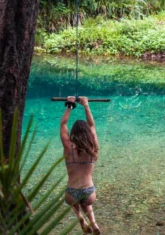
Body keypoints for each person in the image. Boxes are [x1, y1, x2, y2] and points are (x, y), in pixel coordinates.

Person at [60, 96, 101, 234]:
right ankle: (94, 224)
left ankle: (81, 219)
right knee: (86, 203)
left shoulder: (68, 146)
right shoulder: (93, 147)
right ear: (87, 133)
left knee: (75, 204)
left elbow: (63, 125)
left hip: (71, 193)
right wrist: (86, 105)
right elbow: (92, 126)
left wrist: (70, 104)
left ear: (73, 133)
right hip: (89, 192)